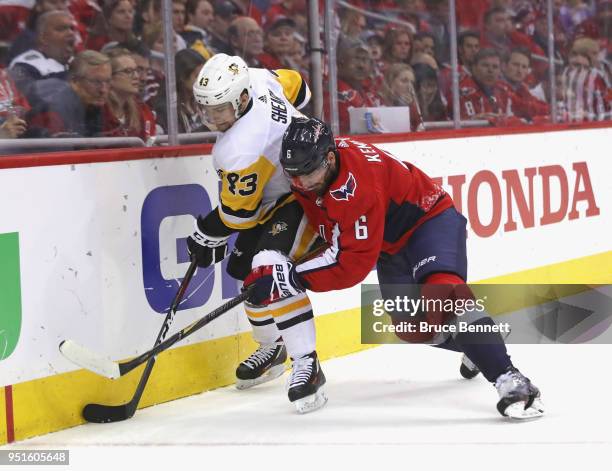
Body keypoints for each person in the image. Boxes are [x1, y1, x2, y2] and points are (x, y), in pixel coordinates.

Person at [242, 115, 545, 420]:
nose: (300, 183)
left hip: (429, 222)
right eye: (292, 175)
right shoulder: (315, 166)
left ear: (329, 158)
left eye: (307, 174)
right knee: (412, 329)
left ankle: (511, 380)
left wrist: (290, 277)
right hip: (388, 246)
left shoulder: (355, 186)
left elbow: (352, 265)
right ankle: (481, 343)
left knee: (442, 292)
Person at [186, 54, 321, 413]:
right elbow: (300, 87)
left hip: (303, 195)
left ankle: (306, 363)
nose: (212, 118)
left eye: (219, 109)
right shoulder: (259, 78)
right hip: (276, 194)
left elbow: (239, 217)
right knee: (245, 277)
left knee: (268, 269)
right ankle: (272, 348)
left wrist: (205, 232)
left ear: (242, 98)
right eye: (206, 109)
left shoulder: (239, 150)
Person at [28, 49, 110, 137]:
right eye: (96, 82)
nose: (103, 90)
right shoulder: (50, 114)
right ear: (74, 82)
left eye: (107, 81)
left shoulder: (98, 108)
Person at [9, 10, 76, 104]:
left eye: (72, 28)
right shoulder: (24, 65)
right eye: (61, 29)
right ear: (43, 38)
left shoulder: (77, 62)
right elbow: (28, 103)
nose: (70, 33)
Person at [102, 48, 156, 141]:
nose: (136, 76)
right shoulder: (99, 112)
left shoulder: (141, 110)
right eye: (128, 71)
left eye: (136, 71)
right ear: (109, 77)